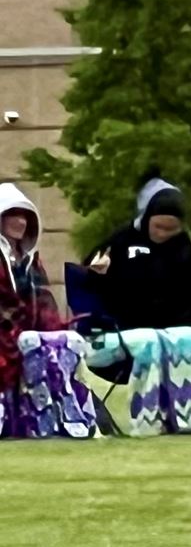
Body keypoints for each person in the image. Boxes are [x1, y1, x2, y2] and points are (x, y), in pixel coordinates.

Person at [82, 179, 191, 435]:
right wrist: (98, 274)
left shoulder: (182, 247)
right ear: (147, 217)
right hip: (122, 331)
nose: (163, 234)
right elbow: (85, 284)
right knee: (149, 340)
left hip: (171, 329)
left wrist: (180, 323)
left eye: (170, 229)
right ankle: (149, 420)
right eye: (158, 227)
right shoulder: (121, 241)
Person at [0, 185, 98, 439]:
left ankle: (61, 419)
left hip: (27, 333)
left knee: (65, 342)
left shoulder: (33, 260)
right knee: (30, 343)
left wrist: (53, 328)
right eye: (13, 215)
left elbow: (44, 300)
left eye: (25, 216)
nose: (20, 222)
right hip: (4, 334)